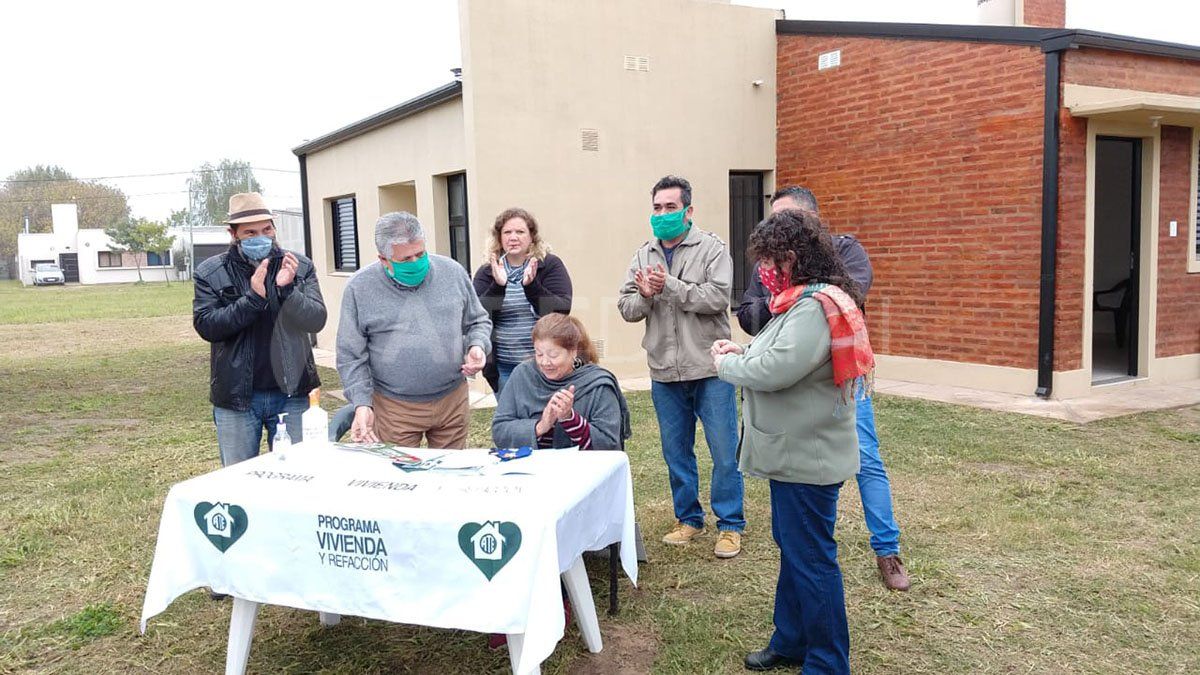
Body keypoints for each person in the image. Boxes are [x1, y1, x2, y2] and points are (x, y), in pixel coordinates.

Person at [714, 208, 872, 674]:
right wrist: (741, 350)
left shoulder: (812, 306)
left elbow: (777, 370)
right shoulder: (801, 302)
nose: (764, 271)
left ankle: (826, 663)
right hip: (796, 456)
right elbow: (776, 353)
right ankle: (791, 640)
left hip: (808, 459)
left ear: (792, 258)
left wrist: (727, 366)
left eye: (770, 260)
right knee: (796, 553)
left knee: (812, 561)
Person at [737, 186, 910, 592]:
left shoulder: (845, 253)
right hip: (797, 390)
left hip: (839, 378)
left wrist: (782, 299)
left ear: (813, 222)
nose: (780, 227)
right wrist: (780, 298)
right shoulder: (773, 261)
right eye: (775, 219)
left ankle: (887, 549)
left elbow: (848, 293)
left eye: (790, 219)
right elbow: (748, 314)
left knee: (864, 457)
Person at [618, 175, 745, 559]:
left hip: (709, 368)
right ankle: (688, 519)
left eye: (670, 207)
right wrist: (643, 295)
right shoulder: (643, 255)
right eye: (657, 208)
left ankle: (730, 525)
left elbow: (718, 297)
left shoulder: (712, 249)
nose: (662, 214)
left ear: (688, 211)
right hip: (664, 371)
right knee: (676, 452)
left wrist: (670, 287)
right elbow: (626, 308)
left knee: (723, 451)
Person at [336, 212, 491, 449]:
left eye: (420, 254)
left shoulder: (453, 272)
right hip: (394, 408)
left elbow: (478, 320)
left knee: (450, 477)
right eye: (405, 259)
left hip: (452, 400)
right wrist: (361, 403)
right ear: (383, 260)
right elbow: (350, 354)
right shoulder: (359, 289)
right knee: (401, 478)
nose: (415, 263)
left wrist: (477, 345)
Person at [193, 192, 327, 466]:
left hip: (293, 394)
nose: (261, 237)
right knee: (239, 480)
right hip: (238, 398)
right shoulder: (210, 272)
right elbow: (208, 326)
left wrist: (288, 290)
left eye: (267, 229)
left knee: (300, 474)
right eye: (250, 232)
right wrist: (253, 299)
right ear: (234, 234)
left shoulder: (299, 266)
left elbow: (316, 320)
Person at [472, 207, 573, 393]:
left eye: (520, 232)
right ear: (499, 238)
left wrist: (532, 287)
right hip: (505, 367)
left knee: (549, 419)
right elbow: (476, 314)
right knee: (510, 420)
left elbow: (562, 309)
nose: (513, 237)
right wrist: (498, 286)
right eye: (507, 232)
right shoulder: (488, 270)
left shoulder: (549, 265)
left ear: (532, 237)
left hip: (546, 364)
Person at [492, 314, 630, 450]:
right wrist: (540, 427)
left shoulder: (598, 385)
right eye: (539, 354)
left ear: (573, 352)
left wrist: (570, 419)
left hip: (581, 470)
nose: (545, 362)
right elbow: (500, 431)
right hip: (528, 468)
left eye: (553, 355)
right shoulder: (522, 375)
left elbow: (609, 444)